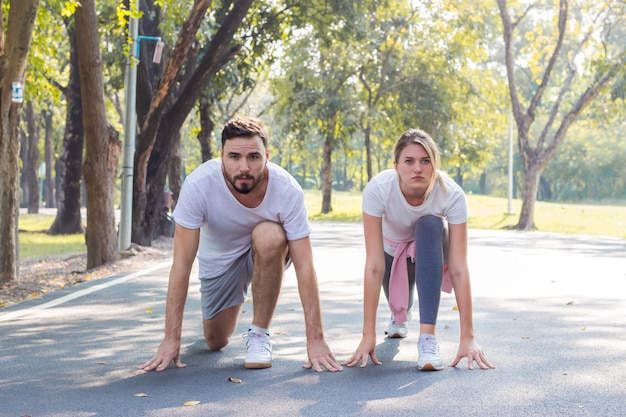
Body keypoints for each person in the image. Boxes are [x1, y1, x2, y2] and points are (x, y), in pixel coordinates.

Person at [140, 116, 342, 373]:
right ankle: (238, 298)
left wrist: (316, 339)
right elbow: (181, 265)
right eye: (234, 157)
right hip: (221, 264)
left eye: (253, 157)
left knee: (269, 233)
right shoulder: (198, 185)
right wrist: (171, 338)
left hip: (269, 251)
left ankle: (259, 335)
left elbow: (305, 266)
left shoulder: (287, 190)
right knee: (215, 341)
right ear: (221, 155)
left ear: (267, 155)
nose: (244, 167)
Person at [344, 129, 495, 371]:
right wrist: (367, 334)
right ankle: (400, 311)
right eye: (409, 161)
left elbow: (458, 267)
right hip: (390, 257)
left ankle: (427, 339)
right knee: (399, 302)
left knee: (429, 224)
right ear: (396, 166)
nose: (418, 168)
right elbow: (373, 266)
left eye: (426, 161)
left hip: (429, 254)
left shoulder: (452, 194)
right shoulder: (378, 189)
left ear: (435, 165)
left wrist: (468, 336)